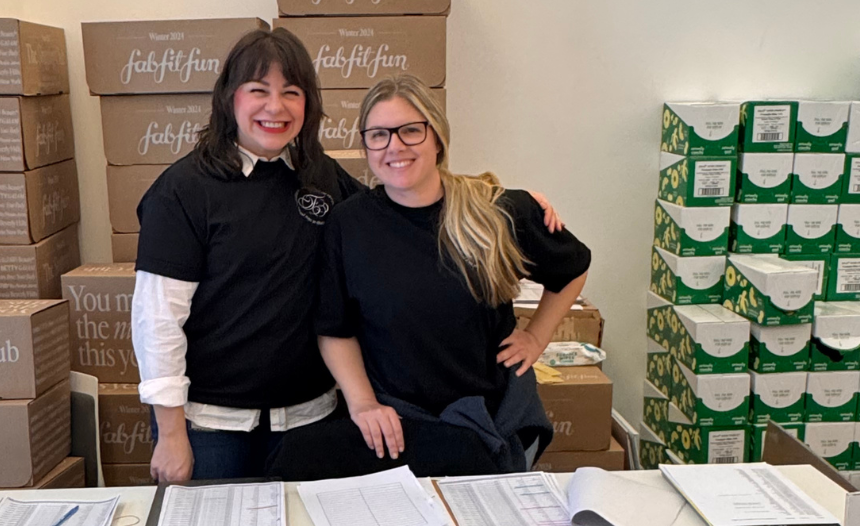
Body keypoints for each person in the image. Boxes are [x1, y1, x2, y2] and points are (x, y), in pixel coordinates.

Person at [133, 30, 565, 483]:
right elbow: (156, 320)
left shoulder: (317, 175)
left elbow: (401, 200)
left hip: (310, 421)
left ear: (309, 105)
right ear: (229, 99)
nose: (275, 108)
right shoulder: (183, 191)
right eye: (258, 91)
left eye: (291, 93)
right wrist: (171, 433)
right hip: (212, 429)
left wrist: (496, 197)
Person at [268, 74, 591, 480]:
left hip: (489, 421)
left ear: (437, 137)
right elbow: (335, 328)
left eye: (410, 131)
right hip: (398, 423)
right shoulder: (348, 225)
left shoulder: (496, 211)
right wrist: (363, 403)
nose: (394, 146)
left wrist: (536, 336)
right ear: (366, 145)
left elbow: (573, 266)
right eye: (378, 135)